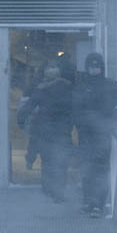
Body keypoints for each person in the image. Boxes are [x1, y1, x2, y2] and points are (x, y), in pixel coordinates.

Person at [73, 52, 117, 217]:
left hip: (102, 136)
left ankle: (98, 204)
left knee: (100, 170)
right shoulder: (81, 86)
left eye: (96, 66)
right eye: (90, 66)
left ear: (101, 67)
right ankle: (88, 201)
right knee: (86, 169)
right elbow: (75, 109)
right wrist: (80, 123)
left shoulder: (111, 85)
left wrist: (111, 124)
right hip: (85, 136)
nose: (93, 69)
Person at [17, 61, 73, 202]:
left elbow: (29, 106)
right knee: (60, 162)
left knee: (48, 161)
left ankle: (48, 188)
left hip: (45, 130)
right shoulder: (67, 87)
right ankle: (58, 191)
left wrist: (21, 119)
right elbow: (75, 107)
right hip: (62, 131)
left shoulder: (41, 89)